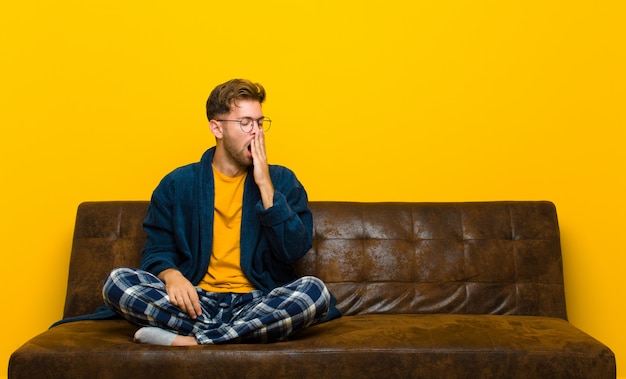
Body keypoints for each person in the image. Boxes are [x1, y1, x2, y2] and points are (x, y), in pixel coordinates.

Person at [102, 78, 340, 346]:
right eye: (246, 123)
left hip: (257, 302)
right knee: (117, 281)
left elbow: (294, 250)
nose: (256, 133)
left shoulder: (281, 181)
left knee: (315, 292)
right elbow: (157, 250)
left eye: (260, 123)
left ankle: (192, 341)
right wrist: (173, 276)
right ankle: (236, 334)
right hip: (194, 301)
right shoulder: (177, 184)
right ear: (217, 127)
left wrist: (265, 186)